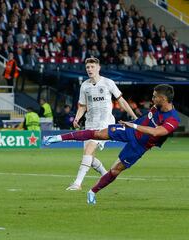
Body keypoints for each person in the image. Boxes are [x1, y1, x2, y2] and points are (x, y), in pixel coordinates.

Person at [43, 84, 180, 204]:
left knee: (115, 170)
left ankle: (92, 192)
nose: (152, 99)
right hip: (129, 130)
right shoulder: (157, 106)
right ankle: (58, 138)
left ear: (164, 99)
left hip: (140, 145)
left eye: (155, 96)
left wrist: (133, 125)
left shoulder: (173, 119)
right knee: (97, 134)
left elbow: (156, 132)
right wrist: (134, 123)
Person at [61, 57, 138, 191]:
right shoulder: (85, 85)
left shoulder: (108, 83)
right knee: (89, 157)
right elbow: (82, 106)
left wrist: (135, 117)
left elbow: (122, 101)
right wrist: (77, 118)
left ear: (98, 68)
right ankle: (106, 175)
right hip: (90, 123)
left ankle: (77, 184)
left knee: (89, 150)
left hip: (105, 124)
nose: (89, 70)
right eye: (87, 68)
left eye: (92, 67)